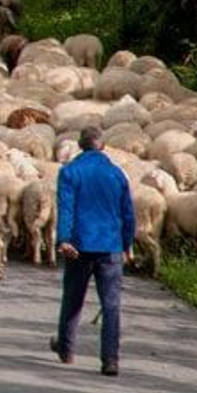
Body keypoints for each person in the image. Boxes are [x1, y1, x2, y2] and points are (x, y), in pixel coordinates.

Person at [50, 125, 137, 376]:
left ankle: (66, 349)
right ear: (103, 146)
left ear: (80, 145)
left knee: (73, 297)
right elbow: (128, 213)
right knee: (111, 305)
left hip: (79, 245)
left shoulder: (70, 171)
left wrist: (64, 238)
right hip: (110, 246)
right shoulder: (117, 174)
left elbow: (66, 207)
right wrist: (127, 243)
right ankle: (111, 360)